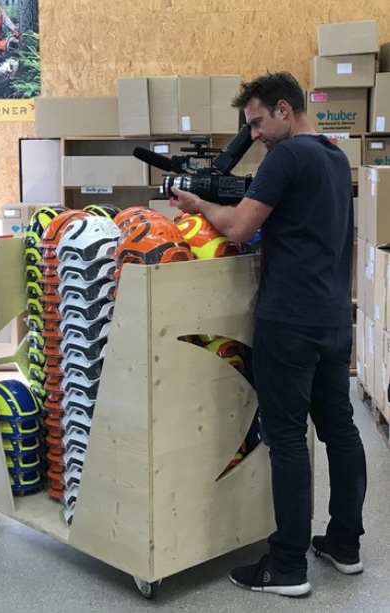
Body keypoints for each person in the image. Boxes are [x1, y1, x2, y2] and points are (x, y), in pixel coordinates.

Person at [170, 71, 366, 598]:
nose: (254, 135)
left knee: (286, 439)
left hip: (289, 320)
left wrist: (199, 207)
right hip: (332, 318)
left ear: (284, 109)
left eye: (257, 123)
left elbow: (239, 227)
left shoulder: (287, 156)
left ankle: (287, 565)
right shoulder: (334, 157)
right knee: (340, 430)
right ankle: (345, 545)